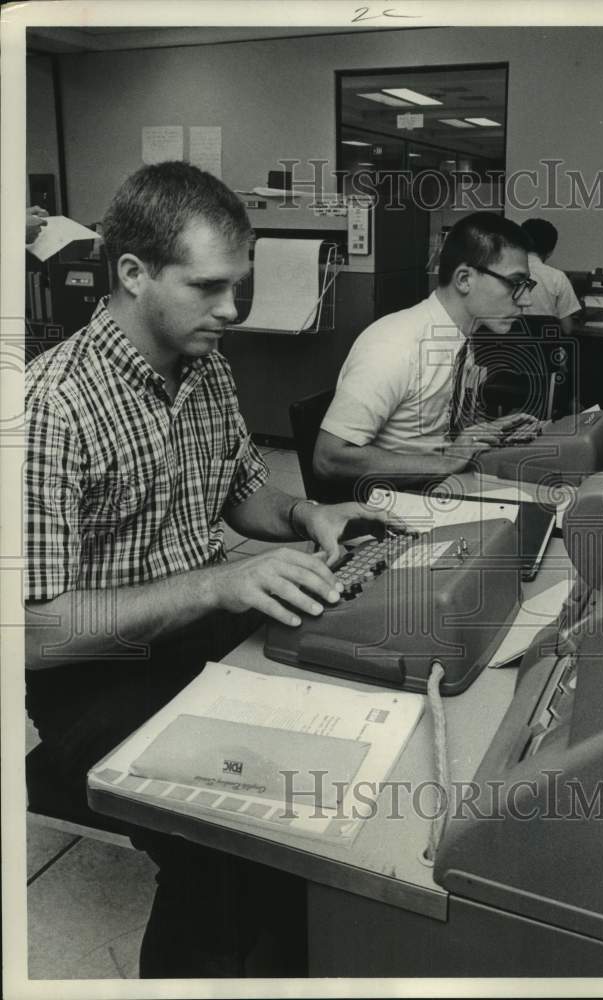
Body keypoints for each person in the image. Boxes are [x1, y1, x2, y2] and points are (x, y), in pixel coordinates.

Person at [24, 161, 397, 978]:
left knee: (343, 755)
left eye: (241, 286)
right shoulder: (48, 407)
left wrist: (305, 515)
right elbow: (31, 634)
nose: (232, 310)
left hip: (200, 633)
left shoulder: (207, 369)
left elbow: (241, 493)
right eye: (210, 287)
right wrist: (215, 583)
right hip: (97, 674)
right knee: (229, 850)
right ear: (132, 274)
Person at [314, 212, 542, 494]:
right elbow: (328, 459)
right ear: (464, 279)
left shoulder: (458, 339)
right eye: (515, 283)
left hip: (434, 486)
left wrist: (485, 432)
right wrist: (445, 462)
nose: (527, 301)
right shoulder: (395, 345)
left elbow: (436, 430)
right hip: (391, 505)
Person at [519, 217, 582, 333]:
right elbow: (567, 328)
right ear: (550, 252)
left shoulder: (502, 273)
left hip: (507, 347)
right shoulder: (558, 277)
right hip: (544, 348)